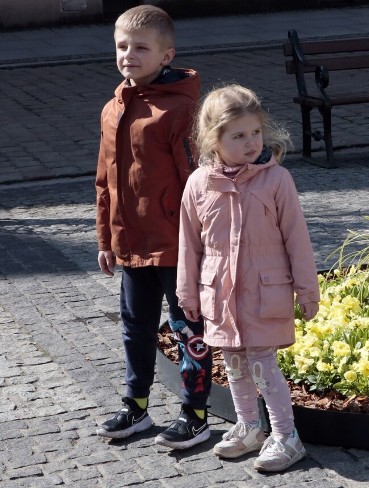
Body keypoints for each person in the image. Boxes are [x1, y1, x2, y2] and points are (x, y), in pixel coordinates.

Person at [177, 84, 320, 472]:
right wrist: (186, 292)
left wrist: (308, 291)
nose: (251, 142)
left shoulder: (277, 181)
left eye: (255, 132)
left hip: (264, 293)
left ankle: (286, 435)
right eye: (238, 136)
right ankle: (249, 427)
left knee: (263, 365)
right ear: (213, 139)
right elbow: (189, 245)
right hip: (220, 297)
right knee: (234, 365)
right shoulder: (198, 185)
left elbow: (297, 240)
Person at [94, 5, 212, 450]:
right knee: (134, 326)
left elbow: (198, 182)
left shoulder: (181, 110)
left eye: (140, 47)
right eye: (122, 46)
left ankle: (195, 413)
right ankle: (136, 405)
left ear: (167, 55)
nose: (128, 54)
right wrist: (107, 238)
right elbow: (104, 179)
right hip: (131, 243)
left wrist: (203, 243)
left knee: (187, 328)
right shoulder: (112, 108)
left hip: (177, 245)